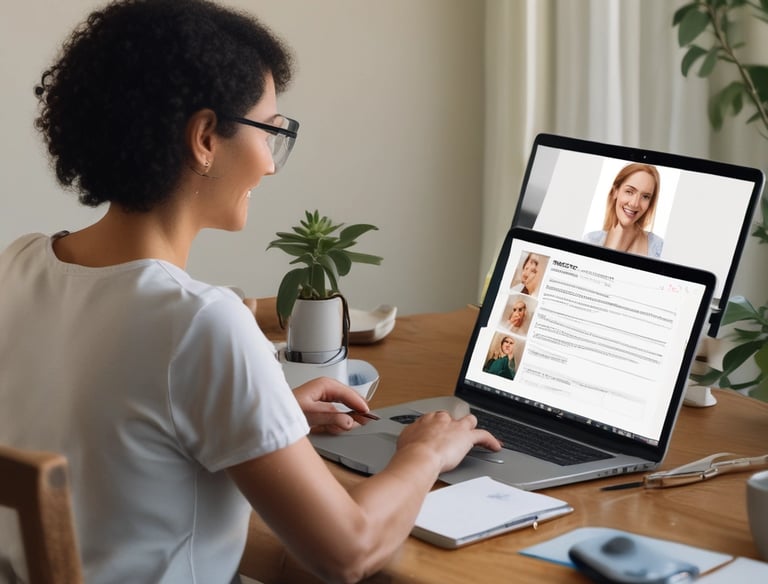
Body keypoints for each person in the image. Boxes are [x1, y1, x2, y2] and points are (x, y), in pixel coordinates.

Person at [0, 2, 501, 583]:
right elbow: (349, 551)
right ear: (205, 138)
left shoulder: (19, 264)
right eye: (271, 131)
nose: (268, 163)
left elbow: (101, 422)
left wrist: (266, 410)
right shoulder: (198, 322)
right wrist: (427, 452)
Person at [584, 163, 664, 258]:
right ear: (615, 192)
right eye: (629, 192)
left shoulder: (660, 248)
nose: (635, 203)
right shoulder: (590, 240)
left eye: (645, 196)